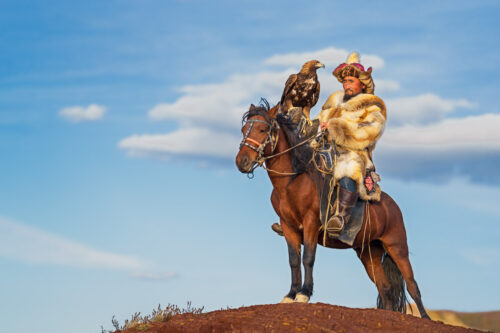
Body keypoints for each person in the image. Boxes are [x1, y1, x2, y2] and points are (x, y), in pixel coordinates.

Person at [313, 52, 386, 237]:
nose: (346, 85)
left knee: (347, 167)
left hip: (354, 153)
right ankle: (295, 216)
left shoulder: (372, 109)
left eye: (351, 81)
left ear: (362, 84)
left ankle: (341, 218)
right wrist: (318, 127)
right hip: (326, 149)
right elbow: (318, 120)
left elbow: (368, 134)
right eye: (344, 81)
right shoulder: (334, 103)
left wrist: (336, 127)